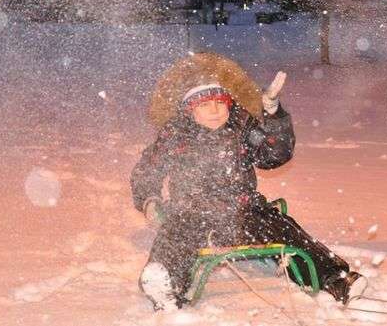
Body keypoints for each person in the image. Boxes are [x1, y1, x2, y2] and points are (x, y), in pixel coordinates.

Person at [131, 52, 363, 311]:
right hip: (193, 213)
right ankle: (165, 286)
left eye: (221, 103)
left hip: (243, 212)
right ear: (190, 110)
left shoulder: (241, 127)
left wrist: (273, 114)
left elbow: (275, 154)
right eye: (205, 105)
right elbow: (147, 170)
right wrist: (149, 200)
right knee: (175, 235)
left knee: (283, 228)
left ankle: (335, 279)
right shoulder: (176, 135)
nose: (215, 110)